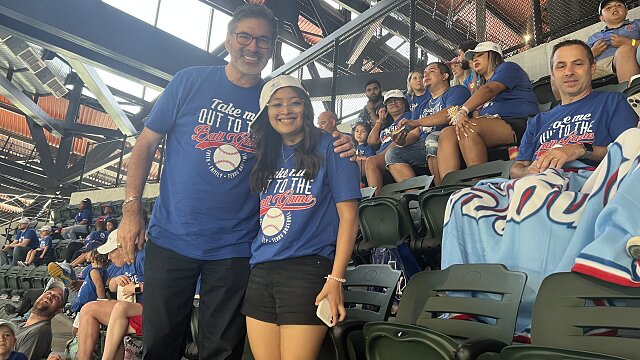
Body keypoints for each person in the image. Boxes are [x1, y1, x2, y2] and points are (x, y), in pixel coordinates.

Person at [116, 4, 354, 359]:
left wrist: (339, 138)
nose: (253, 46)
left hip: (234, 249)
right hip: (171, 240)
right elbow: (146, 143)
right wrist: (131, 207)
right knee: (161, 345)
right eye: (245, 36)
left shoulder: (269, 103)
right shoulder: (189, 81)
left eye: (263, 40)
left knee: (221, 350)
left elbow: (300, 137)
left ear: (271, 48)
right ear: (229, 40)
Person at [441, 39, 638, 334]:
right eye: (561, 66)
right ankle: (464, 307)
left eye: (578, 64)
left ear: (592, 68)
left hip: (588, 180)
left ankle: (538, 315)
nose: (569, 72)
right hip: (536, 180)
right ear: (553, 74)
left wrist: (579, 150)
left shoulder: (611, 102)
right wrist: (529, 170)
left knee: (538, 189)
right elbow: (519, 167)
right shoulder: (539, 120)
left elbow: (629, 149)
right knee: (463, 199)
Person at [243, 75, 360, 359]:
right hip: (261, 270)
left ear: (306, 108)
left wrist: (336, 279)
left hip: (306, 270)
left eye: (295, 103)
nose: (286, 110)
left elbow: (349, 218)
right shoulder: (264, 155)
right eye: (277, 104)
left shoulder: (333, 146)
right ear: (266, 113)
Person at [438, 41, 539, 183]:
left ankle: (481, 187)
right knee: (447, 133)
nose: (474, 59)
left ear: (493, 56)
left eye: (480, 55)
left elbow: (490, 90)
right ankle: (449, 189)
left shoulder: (508, 67)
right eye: (473, 57)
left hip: (520, 122)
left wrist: (463, 111)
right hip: (491, 125)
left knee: (469, 128)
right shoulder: (479, 84)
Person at [392, 62, 471, 185]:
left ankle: (441, 189)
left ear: (445, 76)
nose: (425, 75)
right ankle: (417, 196)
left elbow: (450, 112)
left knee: (432, 139)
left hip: (450, 139)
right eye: (424, 73)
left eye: (431, 71)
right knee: (393, 154)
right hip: (423, 145)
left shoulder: (457, 91)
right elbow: (416, 133)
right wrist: (402, 140)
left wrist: (417, 122)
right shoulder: (422, 106)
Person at [77, 229, 145, 360]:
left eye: (111, 252)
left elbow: (164, 287)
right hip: (133, 308)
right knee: (88, 309)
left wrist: (136, 288)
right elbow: (112, 288)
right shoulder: (126, 263)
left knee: (120, 312)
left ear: (123, 247)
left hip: (150, 309)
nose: (108, 257)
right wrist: (117, 279)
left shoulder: (143, 258)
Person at [365, 90, 413, 195]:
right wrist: (380, 121)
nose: (393, 103)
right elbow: (372, 141)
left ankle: (376, 201)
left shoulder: (409, 117)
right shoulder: (387, 126)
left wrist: (381, 156)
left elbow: (402, 139)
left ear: (404, 102)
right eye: (389, 102)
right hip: (382, 157)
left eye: (397, 100)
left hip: (398, 152)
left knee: (371, 161)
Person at [587, 0, 640, 83]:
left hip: (628, 58)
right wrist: (592, 53)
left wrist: (630, 42)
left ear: (626, 11)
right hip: (598, 66)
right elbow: (579, 59)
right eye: (608, 8)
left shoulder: (636, 24)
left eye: (619, 5)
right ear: (602, 18)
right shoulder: (594, 37)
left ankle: (632, 93)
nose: (614, 8)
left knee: (625, 49)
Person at [15, 280, 67, 360]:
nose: (50, 296)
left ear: (59, 310)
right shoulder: (23, 326)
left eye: (57, 297)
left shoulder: (37, 332)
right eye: (48, 292)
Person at [70, 250, 108, 335]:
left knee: (76, 329)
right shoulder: (99, 271)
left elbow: (100, 287)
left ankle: (77, 343)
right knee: (78, 328)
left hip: (87, 304)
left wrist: (101, 301)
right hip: (85, 303)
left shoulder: (94, 271)